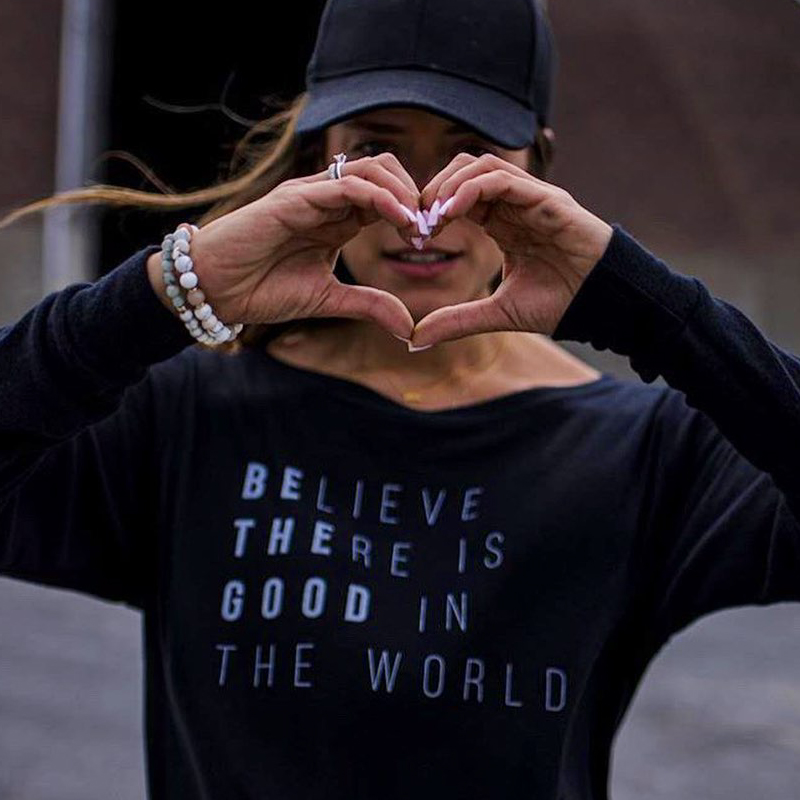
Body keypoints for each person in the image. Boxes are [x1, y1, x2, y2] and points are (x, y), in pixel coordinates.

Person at [1, 0, 798, 798]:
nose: (423, 207)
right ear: (321, 164)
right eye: (376, 147)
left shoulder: (649, 452)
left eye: (473, 155)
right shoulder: (183, 416)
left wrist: (649, 309)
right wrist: (172, 292)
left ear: (540, 167)